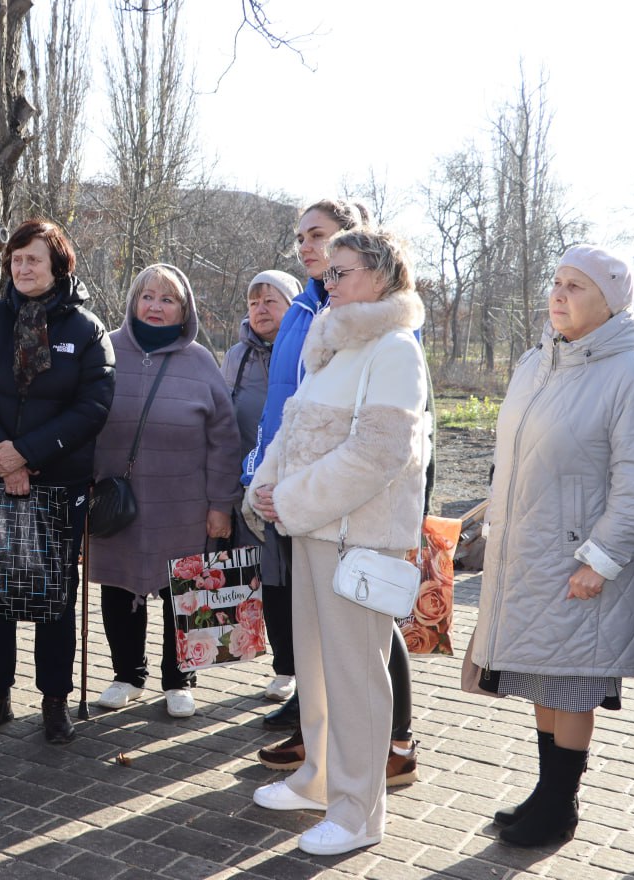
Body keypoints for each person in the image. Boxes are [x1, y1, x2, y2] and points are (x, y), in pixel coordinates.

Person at [468, 245, 634, 847]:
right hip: (527, 555)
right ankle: (545, 791)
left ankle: (562, 803)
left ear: (609, 301)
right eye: (555, 282)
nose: (558, 294)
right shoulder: (537, 362)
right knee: (539, 676)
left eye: (576, 286)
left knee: (570, 683)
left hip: (582, 563)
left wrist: (601, 561)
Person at [247, 229, 428, 856]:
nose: (329, 280)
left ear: (379, 277)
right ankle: (319, 777)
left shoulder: (394, 348)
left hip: (357, 538)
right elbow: (294, 426)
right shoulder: (340, 344)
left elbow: (377, 453)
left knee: (356, 678)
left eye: (343, 271)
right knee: (318, 669)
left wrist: (289, 500)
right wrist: (265, 488)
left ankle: (359, 813)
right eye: (331, 272)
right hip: (314, 530)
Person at [0, 218, 115, 744]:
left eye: (33, 259)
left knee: (55, 597)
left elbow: (93, 405)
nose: (23, 268)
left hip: (57, 482)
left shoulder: (86, 330)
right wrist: (3, 458)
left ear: (58, 265)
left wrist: (29, 454)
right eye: (16, 259)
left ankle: (54, 701)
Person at [90, 264, 242, 719]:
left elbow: (225, 440)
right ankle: (126, 675)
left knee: (183, 591)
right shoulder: (105, 351)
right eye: (147, 297)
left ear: (184, 309)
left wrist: (221, 505)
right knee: (119, 588)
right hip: (117, 503)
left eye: (167, 299)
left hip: (184, 505)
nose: (155, 306)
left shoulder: (200, 362)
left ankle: (181, 679)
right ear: (134, 302)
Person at [219, 270, 298, 701]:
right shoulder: (236, 356)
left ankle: (301, 667)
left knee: (294, 581)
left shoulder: (307, 349)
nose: (261, 310)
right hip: (249, 488)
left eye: (271, 301)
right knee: (266, 579)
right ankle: (283, 667)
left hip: (297, 486)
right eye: (254, 303)